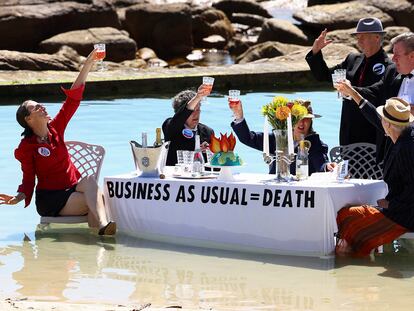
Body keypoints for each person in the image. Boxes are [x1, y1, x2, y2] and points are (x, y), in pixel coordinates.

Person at [0, 49, 116, 236]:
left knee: (90, 182)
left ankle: (101, 233)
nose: (43, 107)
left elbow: (73, 99)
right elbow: (28, 179)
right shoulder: (27, 148)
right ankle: (100, 240)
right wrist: (17, 197)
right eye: (36, 107)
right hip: (51, 199)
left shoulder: (56, 129)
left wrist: (88, 64)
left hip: (72, 188)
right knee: (97, 198)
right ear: (28, 119)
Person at [334, 97, 414, 257]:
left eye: (383, 119)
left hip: (405, 215)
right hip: (401, 210)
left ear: (389, 124)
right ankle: (356, 255)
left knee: (347, 216)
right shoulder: (401, 139)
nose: (381, 121)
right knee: (347, 214)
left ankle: (350, 259)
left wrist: (390, 204)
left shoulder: (406, 147)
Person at [305, 17, 392, 148]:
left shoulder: (389, 66)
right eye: (358, 37)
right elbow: (324, 75)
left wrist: (350, 90)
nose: (359, 40)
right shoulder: (352, 59)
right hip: (348, 131)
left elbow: (377, 94)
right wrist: (316, 51)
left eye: (363, 36)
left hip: (372, 133)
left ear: (377, 38)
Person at [346, 32, 414, 163]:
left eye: (397, 55)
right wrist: (350, 90)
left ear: (412, 56)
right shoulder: (391, 71)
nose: (393, 59)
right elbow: (373, 92)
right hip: (391, 152)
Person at [229, 98, 333, 175]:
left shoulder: (316, 144)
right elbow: (247, 138)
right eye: (298, 118)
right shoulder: (276, 138)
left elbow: (321, 163)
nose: (302, 122)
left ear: (311, 121)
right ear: (290, 120)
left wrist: (327, 167)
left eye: (306, 119)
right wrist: (239, 116)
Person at [162, 84, 214, 166]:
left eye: (198, 109)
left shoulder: (207, 131)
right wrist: (198, 97)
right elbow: (182, 115)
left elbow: (213, 164)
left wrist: (210, 150)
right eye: (192, 110)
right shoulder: (170, 126)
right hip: (175, 176)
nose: (196, 114)